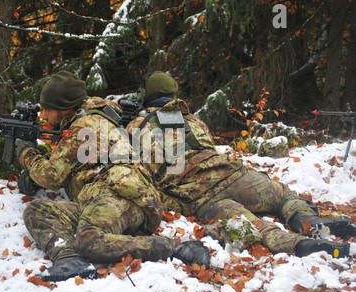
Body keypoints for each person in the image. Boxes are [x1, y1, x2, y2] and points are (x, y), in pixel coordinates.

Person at [125, 71, 355, 258]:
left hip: (202, 196)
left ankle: (303, 245)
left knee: (255, 227)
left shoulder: (138, 126)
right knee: (282, 195)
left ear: (145, 95)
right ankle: (308, 220)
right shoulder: (193, 120)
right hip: (233, 175)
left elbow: (134, 168)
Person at [16, 71, 210, 282]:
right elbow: (68, 162)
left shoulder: (85, 124)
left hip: (121, 195)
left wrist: (27, 154)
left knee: (88, 239)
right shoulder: (94, 118)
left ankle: (177, 249)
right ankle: (69, 260)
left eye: (47, 109)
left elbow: (50, 177)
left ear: (64, 109)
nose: (43, 115)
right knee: (37, 211)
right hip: (101, 198)